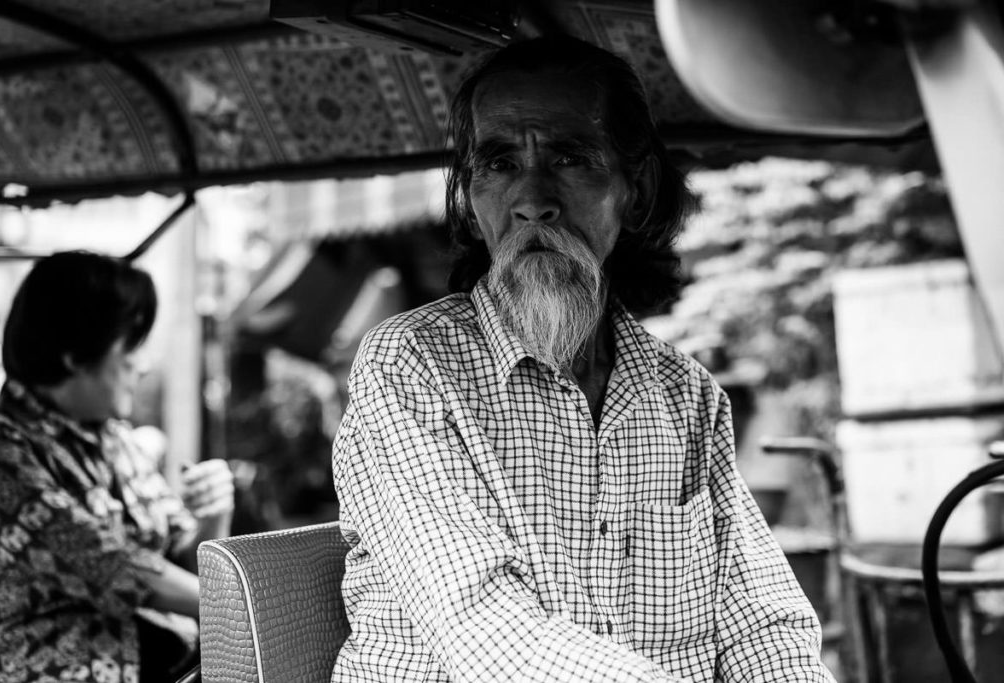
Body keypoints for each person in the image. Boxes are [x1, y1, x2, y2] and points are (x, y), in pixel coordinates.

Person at [332, 34, 835, 682]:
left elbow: (761, 625)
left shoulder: (685, 395)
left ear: (636, 185)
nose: (532, 197)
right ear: (469, 194)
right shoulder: (408, 368)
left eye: (569, 156)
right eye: (499, 162)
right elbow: (490, 636)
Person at [0, 251, 235, 682]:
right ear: (75, 356)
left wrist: (213, 517)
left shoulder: (114, 437)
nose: (144, 362)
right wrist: (244, 603)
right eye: (130, 345)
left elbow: (181, 559)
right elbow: (116, 569)